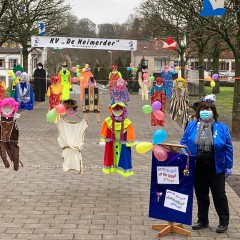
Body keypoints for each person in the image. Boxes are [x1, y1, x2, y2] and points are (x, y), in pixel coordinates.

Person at [180, 94, 233, 234]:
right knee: (201, 194)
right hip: (197, 166)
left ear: (214, 112)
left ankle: (223, 221)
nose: (206, 111)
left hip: (216, 167)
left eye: (209, 109)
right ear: (199, 111)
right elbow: (183, 143)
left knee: (219, 194)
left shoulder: (222, 128)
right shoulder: (191, 126)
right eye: (203, 108)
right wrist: (187, 158)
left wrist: (228, 166)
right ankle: (202, 220)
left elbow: (228, 148)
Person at [100, 101, 136, 177]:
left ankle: (122, 170)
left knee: (124, 157)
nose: (117, 110)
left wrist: (129, 143)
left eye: (119, 109)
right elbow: (104, 132)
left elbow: (130, 134)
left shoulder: (127, 123)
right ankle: (112, 168)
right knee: (111, 156)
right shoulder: (108, 121)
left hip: (123, 145)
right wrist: (104, 139)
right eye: (115, 109)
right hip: (111, 144)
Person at [56, 99, 88, 173]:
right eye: (69, 108)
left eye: (72, 108)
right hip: (71, 152)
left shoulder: (61, 123)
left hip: (71, 151)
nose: (71, 110)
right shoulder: (60, 122)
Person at [0, 98, 22, 171]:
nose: (7, 109)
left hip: (12, 140)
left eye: (9, 107)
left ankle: (16, 165)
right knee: (2, 150)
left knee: (14, 152)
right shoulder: (1, 117)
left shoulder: (15, 117)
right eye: (5, 107)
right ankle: (6, 163)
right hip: (2, 139)